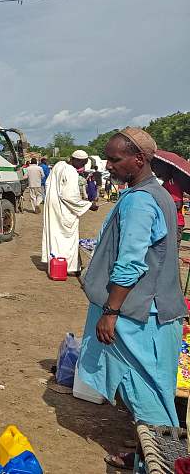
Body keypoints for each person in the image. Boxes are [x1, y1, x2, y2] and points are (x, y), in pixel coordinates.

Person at [76, 128, 184, 470]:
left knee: (147, 395)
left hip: (140, 316)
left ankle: (167, 463)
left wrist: (111, 311)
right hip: (153, 310)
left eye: (114, 159)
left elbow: (131, 262)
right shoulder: (157, 194)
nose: (108, 166)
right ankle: (143, 454)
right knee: (146, 389)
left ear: (139, 160)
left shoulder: (140, 201)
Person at [42, 150, 98, 274]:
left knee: (55, 236)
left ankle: (55, 263)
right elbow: (69, 196)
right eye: (83, 163)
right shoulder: (71, 171)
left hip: (53, 205)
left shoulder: (59, 165)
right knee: (67, 238)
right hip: (64, 209)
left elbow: (47, 183)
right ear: (76, 160)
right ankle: (68, 267)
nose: (83, 166)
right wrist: (89, 205)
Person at [154, 166, 186, 250]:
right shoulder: (165, 183)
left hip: (175, 222)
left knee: (172, 248)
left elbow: (178, 204)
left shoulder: (172, 183)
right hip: (169, 221)